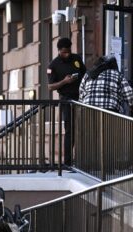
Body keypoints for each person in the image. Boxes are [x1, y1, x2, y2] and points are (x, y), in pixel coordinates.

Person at [47, 37, 86, 166]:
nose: (67, 54)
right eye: (64, 52)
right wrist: (64, 81)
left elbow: (85, 74)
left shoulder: (76, 59)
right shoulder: (53, 65)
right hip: (66, 99)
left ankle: (82, 159)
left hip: (80, 98)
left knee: (83, 128)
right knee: (69, 129)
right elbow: (50, 86)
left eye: (69, 51)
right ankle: (68, 161)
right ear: (59, 51)